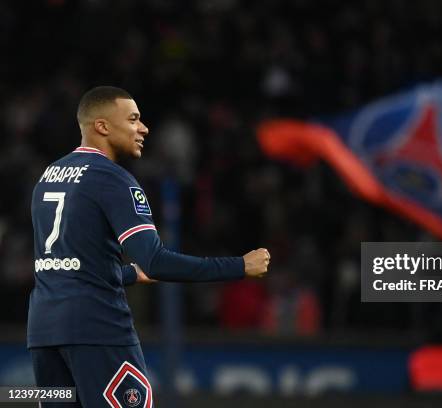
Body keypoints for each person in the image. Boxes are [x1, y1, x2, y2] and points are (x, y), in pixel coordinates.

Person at [28, 86, 270, 408]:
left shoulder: (48, 176)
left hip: (44, 332)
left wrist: (126, 274)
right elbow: (155, 260)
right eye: (133, 119)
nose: (143, 128)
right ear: (102, 126)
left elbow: (64, 264)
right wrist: (239, 266)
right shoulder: (113, 179)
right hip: (98, 329)